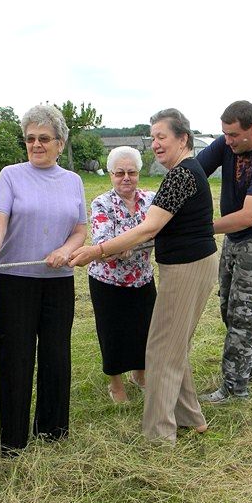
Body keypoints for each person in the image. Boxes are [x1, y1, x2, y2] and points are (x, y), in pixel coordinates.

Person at [70, 108, 217, 443]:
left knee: (162, 351)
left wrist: (98, 251)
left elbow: (148, 228)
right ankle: (192, 417)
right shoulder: (185, 173)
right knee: (173, 345)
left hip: (186, 269)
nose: (155, 144)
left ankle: (158, 434)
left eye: (161, 137)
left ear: (183, 138)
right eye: (152, 138)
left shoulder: (181, 176)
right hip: (189, 265)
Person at [0, 105, 87, 455]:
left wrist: (65, 249)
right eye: (30, 139)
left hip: (58, 279)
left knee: (56, 353)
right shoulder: (11, 175)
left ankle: (52, 431)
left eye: (44, 139)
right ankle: (13, 439)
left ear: (60, 142)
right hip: (15, 279)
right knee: (16, 355)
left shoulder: (73, 181)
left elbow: (80, 230)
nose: (36, 145)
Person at [196, 100, 252, 403]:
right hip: (233, 236)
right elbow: (195, 171)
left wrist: (200, 228)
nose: (228, 140)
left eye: (234, 135)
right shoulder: (226, 145)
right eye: (225, 134)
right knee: (228, 307)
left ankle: (236, 388)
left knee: (242, 312)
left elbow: (250, 216)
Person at [87, 146, 156, 403]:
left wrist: (127, 244)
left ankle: (140, 374)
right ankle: (116, 385)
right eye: (119, 173)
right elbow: (104, 243)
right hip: (108, 281)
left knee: (145, 329)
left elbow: (161, 230)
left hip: (143, 277)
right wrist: (126, 245)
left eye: (132, 172)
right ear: (110, 175)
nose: (126, 178)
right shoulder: (101, 203)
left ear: (138, 174)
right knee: (112, 333)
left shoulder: (151, 200)